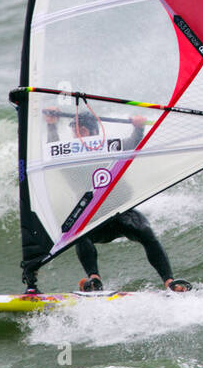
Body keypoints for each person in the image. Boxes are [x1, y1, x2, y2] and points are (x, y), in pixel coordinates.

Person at [41, 106, 192, 294]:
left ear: (95, 131)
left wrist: (138, 128)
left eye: (83, 130)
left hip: (120, 212)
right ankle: (94, 279)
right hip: (93, 217)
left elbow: (132, 144)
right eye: (76, 131)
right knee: (77, 231)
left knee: (146, 232)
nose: (79, 134)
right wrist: (52, 126)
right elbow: (54, 151)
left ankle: (169, 281)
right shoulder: (70, 154)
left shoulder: (107, 148)